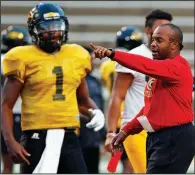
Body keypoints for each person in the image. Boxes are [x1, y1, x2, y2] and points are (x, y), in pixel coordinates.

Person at [1, 3, 105, 174]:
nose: (53, 32)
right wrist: (10, 141)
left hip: (70, 136)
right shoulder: (21, 57)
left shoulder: (76, 55)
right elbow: (6, 105)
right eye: (46, 27)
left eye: (57, 26)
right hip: (37, 137)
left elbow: (82, 100)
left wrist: (95, 111)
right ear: (34, 30)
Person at [89, 23, 195, 173]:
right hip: (158, 138)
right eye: (153, 40)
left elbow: (144, 64)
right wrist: (125, 131)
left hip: (174, 138)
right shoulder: (162, 71)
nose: (153, 44)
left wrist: (112, 54)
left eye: (159, 40)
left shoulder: (177, 67)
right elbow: (149, 109)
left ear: (174, 45)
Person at [104, 10, 173, 173]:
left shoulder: (170, 57)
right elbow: (117, 96)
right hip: (136, 130)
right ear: (148, 31)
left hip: (163, 129)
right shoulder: (134, 56)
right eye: (160, 27)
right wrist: (110, 133)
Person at [100, 26, 144, 173]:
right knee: (130, 164)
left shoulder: (106, 65)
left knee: (118, 162)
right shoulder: (132, 62)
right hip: (129, 118)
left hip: (115, 118)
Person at [1, 25, 32, 173]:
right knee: (26, 162)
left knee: (7, 165)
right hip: (20, 112)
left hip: (5, 113)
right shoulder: (20, 61)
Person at [78, 46, 106, 174]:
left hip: (92, 137)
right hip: (77, 135)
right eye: (90, 59)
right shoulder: (74, 80)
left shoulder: (95, 81)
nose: (93, 62)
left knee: (93, 170)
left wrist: (102, 136)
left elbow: (100, 108)